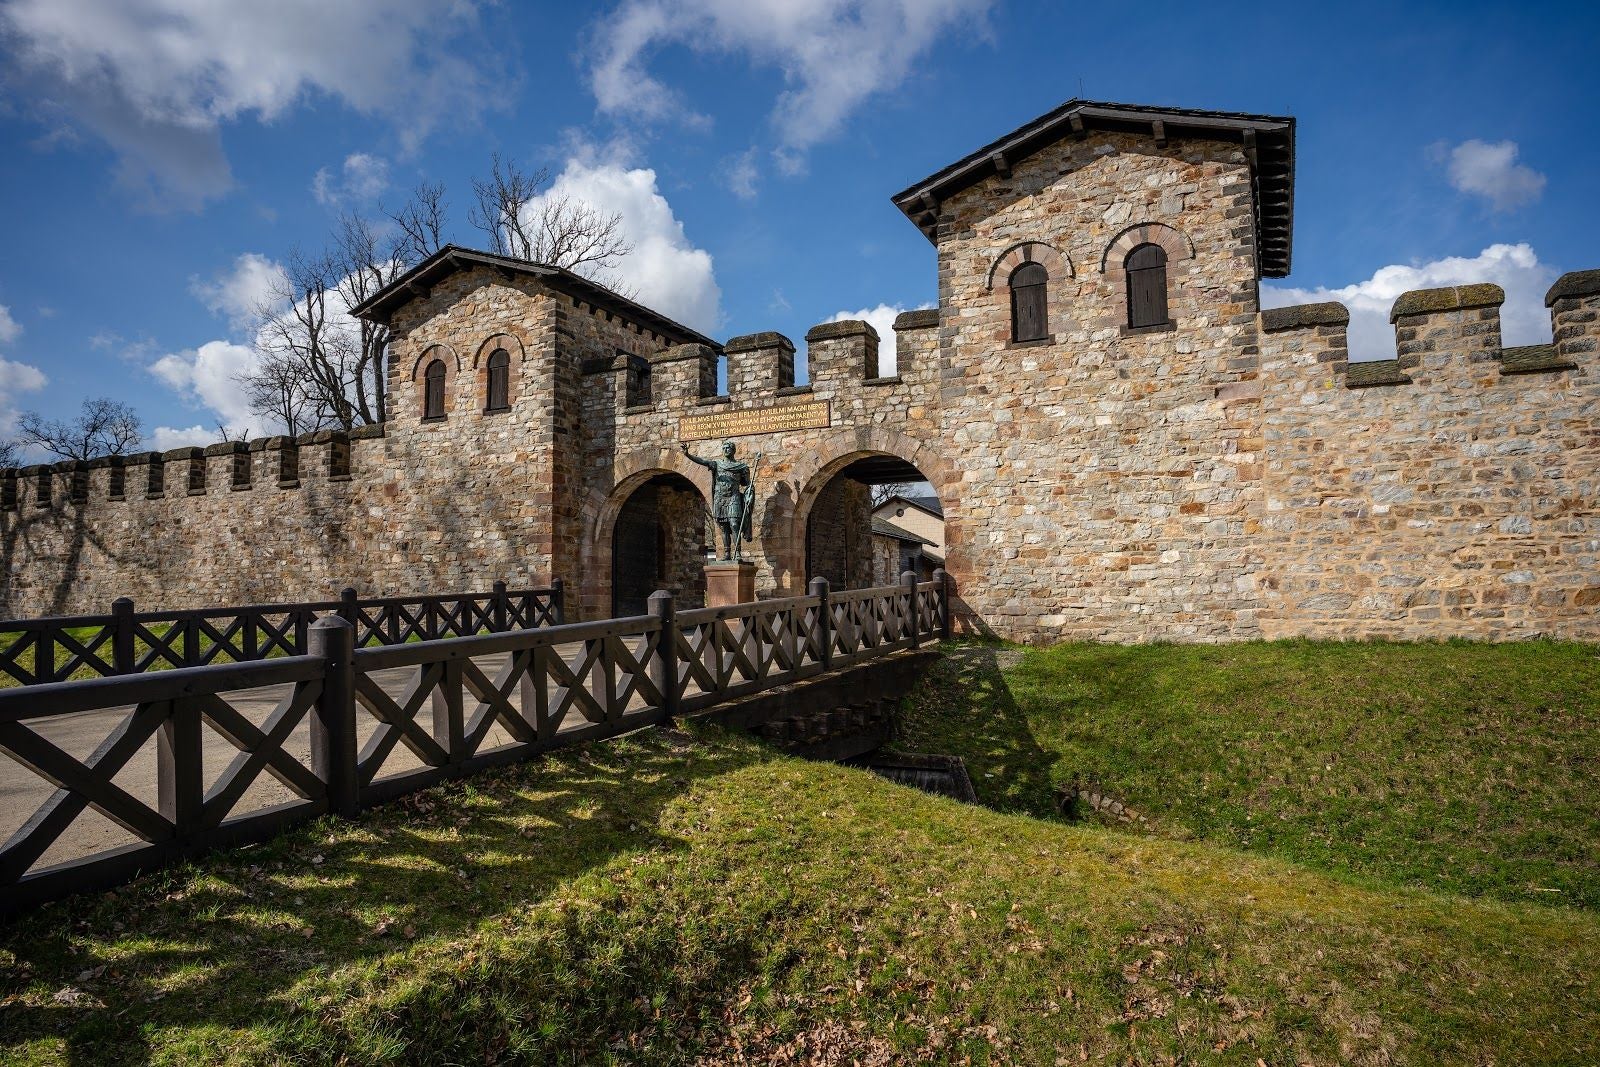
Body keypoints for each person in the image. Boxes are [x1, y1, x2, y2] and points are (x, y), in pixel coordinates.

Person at [681, 440, 762, 561]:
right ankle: (727, 553)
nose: (726, 450)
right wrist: (687, 454)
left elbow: (747, 484)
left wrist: (750, 493)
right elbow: (703, 461)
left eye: (728, 448)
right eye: (724, 448)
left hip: (733, 498)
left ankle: (738, 552)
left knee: (734, 524)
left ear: (733, 450)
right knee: (724, 527)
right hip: (720, 499)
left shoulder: (741, 467)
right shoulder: (717, 464)